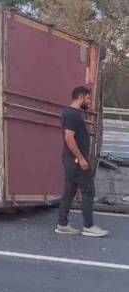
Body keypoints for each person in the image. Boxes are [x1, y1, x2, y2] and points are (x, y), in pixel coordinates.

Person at [55, 86, 108, 237]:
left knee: (69, 191)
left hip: (71, 159)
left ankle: (62, 224)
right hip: (76, 160)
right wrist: (82, 158)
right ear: (81, 97)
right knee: (88, 190)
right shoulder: (72, 114)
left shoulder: (73, 113)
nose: (89, 101)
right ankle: (88, 226)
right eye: (88, 98)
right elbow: (69, 137)